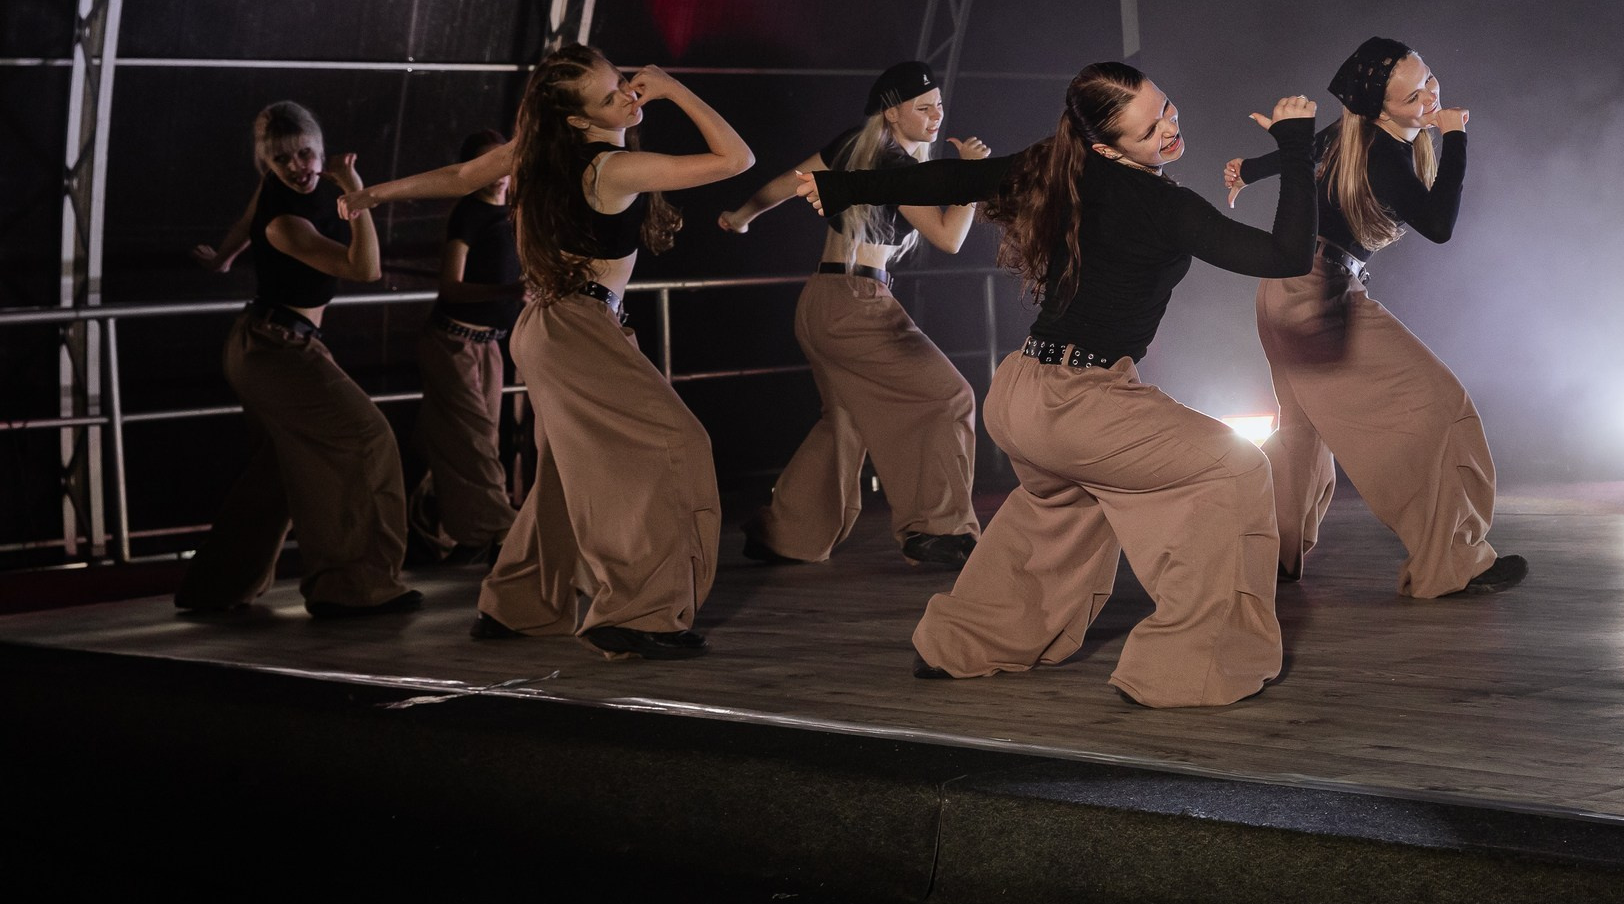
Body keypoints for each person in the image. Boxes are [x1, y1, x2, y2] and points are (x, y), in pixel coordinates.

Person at [796, 62, 1315, 708]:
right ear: (1105, 144)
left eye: (1168, 111)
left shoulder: (1061, 164)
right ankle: (1194, 665)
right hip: (1082, 401)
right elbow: (1287, 256)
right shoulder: (1164, 205)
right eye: (1150, 129)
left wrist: (843, 186)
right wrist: (1296, 147)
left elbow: (959, 178)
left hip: (1021, 393)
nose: (1169, 131)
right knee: (1236, 472)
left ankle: (968, 640)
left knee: (1063, 507)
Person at [347, 48, 753, 659]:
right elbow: (737, 159)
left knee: (563, 477)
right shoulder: (612, 167)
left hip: (554, 327)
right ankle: (640, 614)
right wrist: (674, 89)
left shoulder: (542, 151)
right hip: (576, 328)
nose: (629, 95)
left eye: (623, 81)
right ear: (577, 121)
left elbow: (461, 178)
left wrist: (373, 195)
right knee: (678, 443)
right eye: (611, 94)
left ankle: (517, 605)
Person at [1224, 37, 1518, 598]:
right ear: (1381, 109)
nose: (1430, 97)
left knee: (1303, 433)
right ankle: (1454, 560)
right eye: (1414, 96)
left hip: (1295, 290)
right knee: (1439, 402)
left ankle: (1266, 555)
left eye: (1429, 79)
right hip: (1312, 296)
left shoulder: (1356, 134)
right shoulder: (1381, 152)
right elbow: (1438, 224)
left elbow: (1310, 147)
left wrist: (1249, 169)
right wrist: (1455, 135)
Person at [719, 61, 987, 571]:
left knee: (844, 420)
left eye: (939, 107)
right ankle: (936, 529)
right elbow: (949, 239)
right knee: (949, 395)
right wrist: (972, 178)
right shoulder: (898, 170)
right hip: (857, 305)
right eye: (923, 108)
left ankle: (783, 534)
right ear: (891, 113)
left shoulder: (852, 147)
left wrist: (741, 216)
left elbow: (785, 184)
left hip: (821, 301)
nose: (936, 117)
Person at [176, 102, 415, 618]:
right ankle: (355, 588)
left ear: (320, 148)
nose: (298, 168)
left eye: (306, 153)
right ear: (268, 165)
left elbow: (243, 220)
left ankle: (215, 588)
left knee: (282, 467)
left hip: (269, 341)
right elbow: (365, 268)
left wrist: (223, 256)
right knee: (366, 438)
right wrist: (356, 190)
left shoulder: (272, 193)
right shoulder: (286, 223)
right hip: (275, 348)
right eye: (281, 161)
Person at [406, 127, 521, 564]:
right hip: (451, 343)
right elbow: (450, 288)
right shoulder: (468, 215)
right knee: (472, 442)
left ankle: (445, 533)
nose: (496, 174)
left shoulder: (514, 210)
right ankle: (503, 532)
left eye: (502, 162)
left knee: (473, 442)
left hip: (489, 345)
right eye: (486, 165)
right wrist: (506, 292)